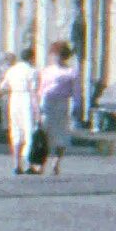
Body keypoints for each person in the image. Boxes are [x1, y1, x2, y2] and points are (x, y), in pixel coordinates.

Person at [35, 41, 79, 175]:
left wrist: (76, 105)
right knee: (44, 132)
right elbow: (40, 89)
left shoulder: (70, 72)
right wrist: (37, 107)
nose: (55, 57)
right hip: (47, 102)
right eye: (54, 55)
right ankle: (41, 163)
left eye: (58, 55)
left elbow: (76, 91)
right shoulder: (46, 70)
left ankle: (56, 162)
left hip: (62, 103)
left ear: (64, 56)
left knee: (61, 134)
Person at [0, 47, 41, 174]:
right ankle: (29, 164)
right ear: (31, 58)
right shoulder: (32, 71)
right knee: (29, 131)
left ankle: (16, 164)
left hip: (14, 98)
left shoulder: (12, 70)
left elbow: (2, 87)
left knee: (16, 130)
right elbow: (33, 91)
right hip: (26, 98)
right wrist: (37, 111)